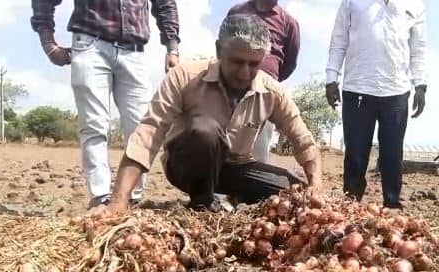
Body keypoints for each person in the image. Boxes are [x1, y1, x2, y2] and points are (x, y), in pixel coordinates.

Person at [88, 14, 322, 216]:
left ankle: (240, 200)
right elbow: (148, 134)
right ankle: (203, 202)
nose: (244, 72)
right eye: (237, 62)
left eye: (254, 64)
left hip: (234, 168)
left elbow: (303, 139)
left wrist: (316, 187)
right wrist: (118, 202)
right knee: (205, 130)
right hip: (187, 163)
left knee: (294, 191)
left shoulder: (271, 91)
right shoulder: (185, 76)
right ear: (219, 50)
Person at [30, 0, 181, 209]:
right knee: (94, 125)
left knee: (140, 128)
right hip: (90, 45)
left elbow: (165, 3)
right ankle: (100, 197)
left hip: (134, 51)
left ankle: (132, 197)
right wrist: (48, 44)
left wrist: (172, 47)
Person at [325, 0, 427, 209]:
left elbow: (418, 48)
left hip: (396, 90)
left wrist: (421, 84)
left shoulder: (415, 4)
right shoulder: (351, 2)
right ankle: (351, 205)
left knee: (392, 153)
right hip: (357, 88)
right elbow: (338, 40)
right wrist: (331, 77)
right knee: (355, 152)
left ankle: (392, 205)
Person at [226, 0, 301, 163]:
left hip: (264, 94)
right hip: (231, 89)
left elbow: (290, 63)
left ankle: (254, 185)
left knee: (258, 153)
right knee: (222, 145)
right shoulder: (237, 12)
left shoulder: (289, 23)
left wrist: (267, 80)